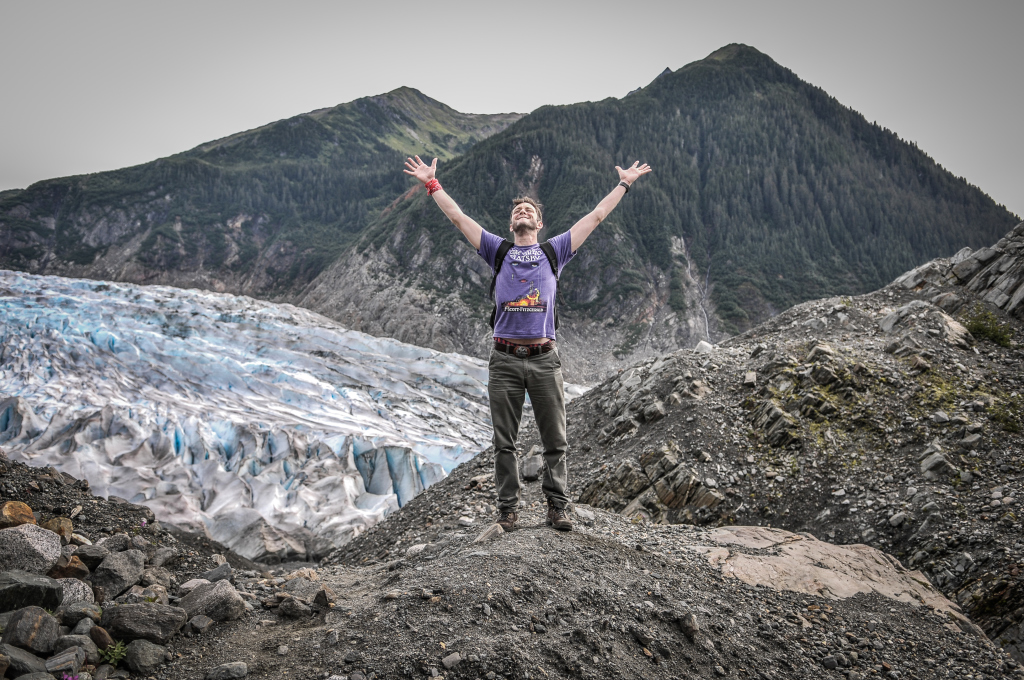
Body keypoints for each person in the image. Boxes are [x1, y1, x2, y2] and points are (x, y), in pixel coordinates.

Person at [403, 155, 652, 531]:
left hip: (543, 358)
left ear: (538, 224)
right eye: (517, 209)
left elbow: (597, 216)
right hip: (503, 359)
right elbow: (457, 217)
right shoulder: (496, 250)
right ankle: (508, 511)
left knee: (555, 438)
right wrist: (431, 184)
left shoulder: (555, 252)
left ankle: (557, 507)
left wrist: (625, 183)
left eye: (529, 210)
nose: (522, 211)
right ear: (511, 224)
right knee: (504, 442)